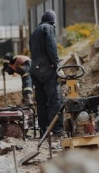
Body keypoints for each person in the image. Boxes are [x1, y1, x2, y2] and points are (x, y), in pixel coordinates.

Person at [29, 9, 65, 138]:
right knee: (55, 98)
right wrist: (57, 64)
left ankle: (44, 131)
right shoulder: (48, 28)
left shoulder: (34, 31)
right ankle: (57, 129)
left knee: (41, 101)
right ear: (53, 20)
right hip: (46, 67)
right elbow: (51, 46)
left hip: (35, 68)